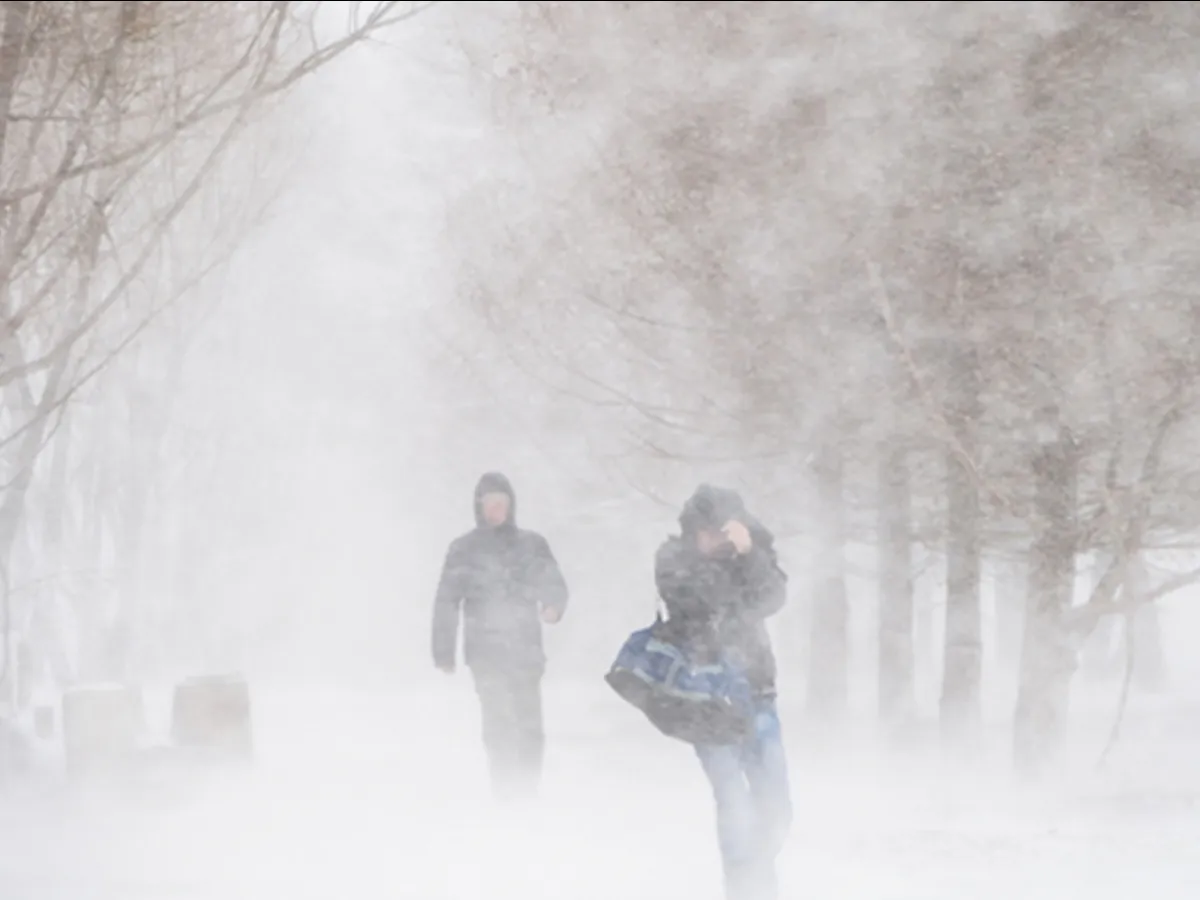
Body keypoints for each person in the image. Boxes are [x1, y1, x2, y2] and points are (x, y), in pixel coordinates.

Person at [654, 484, 791, 900]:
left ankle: (760, 882)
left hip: (757, 692)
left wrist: (750, 553)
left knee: (776, 807)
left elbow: (772, 597)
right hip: (706, 700)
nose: (717, 540)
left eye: (724, 531)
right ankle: (743, 890)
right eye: (709, 531)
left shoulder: (752, 556)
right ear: (693, 531)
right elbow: (701, 605)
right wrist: (735, 568)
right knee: (734, 804)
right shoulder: (673, 559)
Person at [431, 471, 569, 801]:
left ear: (511, 505)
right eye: (490, 503)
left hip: (526, 651)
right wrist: (443, 651)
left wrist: (553, 605)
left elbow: (553, 581)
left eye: (502, 502)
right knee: (499, 724)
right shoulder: (464, 550)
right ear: (479, 506)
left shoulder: (531, 545)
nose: (496, 509)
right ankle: (506, 796)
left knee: (529, 727)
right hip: (485, 652)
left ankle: (527, 793)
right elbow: (446, 601)